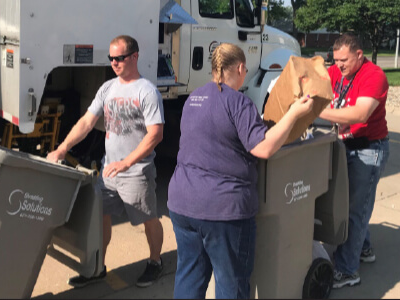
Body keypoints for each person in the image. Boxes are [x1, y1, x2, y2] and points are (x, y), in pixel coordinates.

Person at [167, 43, 314, 299]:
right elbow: (263, 148)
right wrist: (294, 113)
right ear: (241, 68)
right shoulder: (238, 102)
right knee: (231, 284)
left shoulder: (194, 97)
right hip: (223, 211)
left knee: (189, 277)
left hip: (182, 205)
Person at [47, 35, 165, 288]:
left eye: (120, 58)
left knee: (148, 219)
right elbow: (86, 123)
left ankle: (155, 262)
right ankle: (97, 268)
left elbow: (156, 134)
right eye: (111, 58)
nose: (114, 63)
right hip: (109, 171)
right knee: (100, 218)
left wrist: (127, 163)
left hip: (136, 172)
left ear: (134, 56)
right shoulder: (107, 88)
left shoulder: (147, 91)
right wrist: (62, 148)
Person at [319, 33, 390, 289]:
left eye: (344, 60)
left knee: (356, 210)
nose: (338, 65)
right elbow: (319, 84)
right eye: (335, 60)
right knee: (351, 205)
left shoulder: (374, 76)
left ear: (359, 55)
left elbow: (359, 113)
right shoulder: (338, 72)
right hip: (346, 146)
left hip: (368, 150)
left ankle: (348, 271)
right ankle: (365, 248)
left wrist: (316, 110)